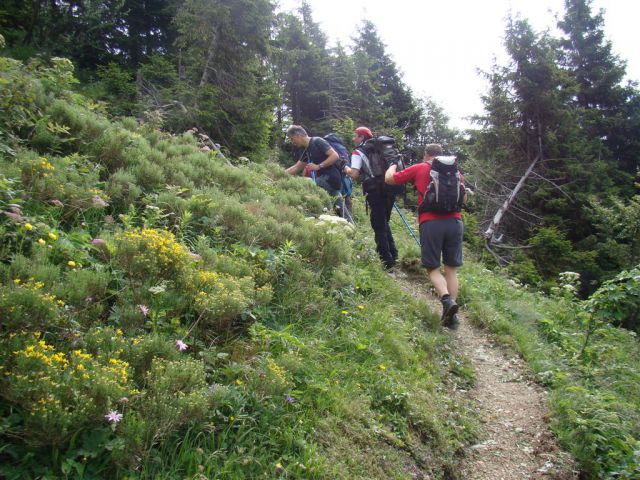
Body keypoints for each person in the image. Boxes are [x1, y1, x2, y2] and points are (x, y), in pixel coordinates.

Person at [384, 144, 466, 328]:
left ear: (426, 155)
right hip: (455, 222)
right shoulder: (455, 172)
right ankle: (452, 317)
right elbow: (464, 198)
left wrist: (392, 165)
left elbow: (390, 179)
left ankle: (446, 300)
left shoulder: (421, 167)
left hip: (431, 223)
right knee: (451, 269)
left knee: (433, 268)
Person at [344, 126, 398, 269]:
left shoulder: (358, 152)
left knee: (378, 224)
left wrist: (344, 167)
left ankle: (386, 260)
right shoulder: (380, 150)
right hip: (391, 187)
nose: (353, 138)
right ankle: (393, 253)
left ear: (362, 137)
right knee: (384, 221)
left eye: (355, 136)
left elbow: (354, 174)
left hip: (375, 189)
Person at [285, 125, 342, 197]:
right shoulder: (307, 150)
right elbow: (296, 167)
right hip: (327, 180)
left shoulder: (317, 141)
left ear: (297, 135)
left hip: (330, 179)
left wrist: (318, 166)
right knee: (338, 205)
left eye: (292, 139)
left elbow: (335, 155)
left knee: (301, 182)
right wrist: (280, 174)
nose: (292, 142)